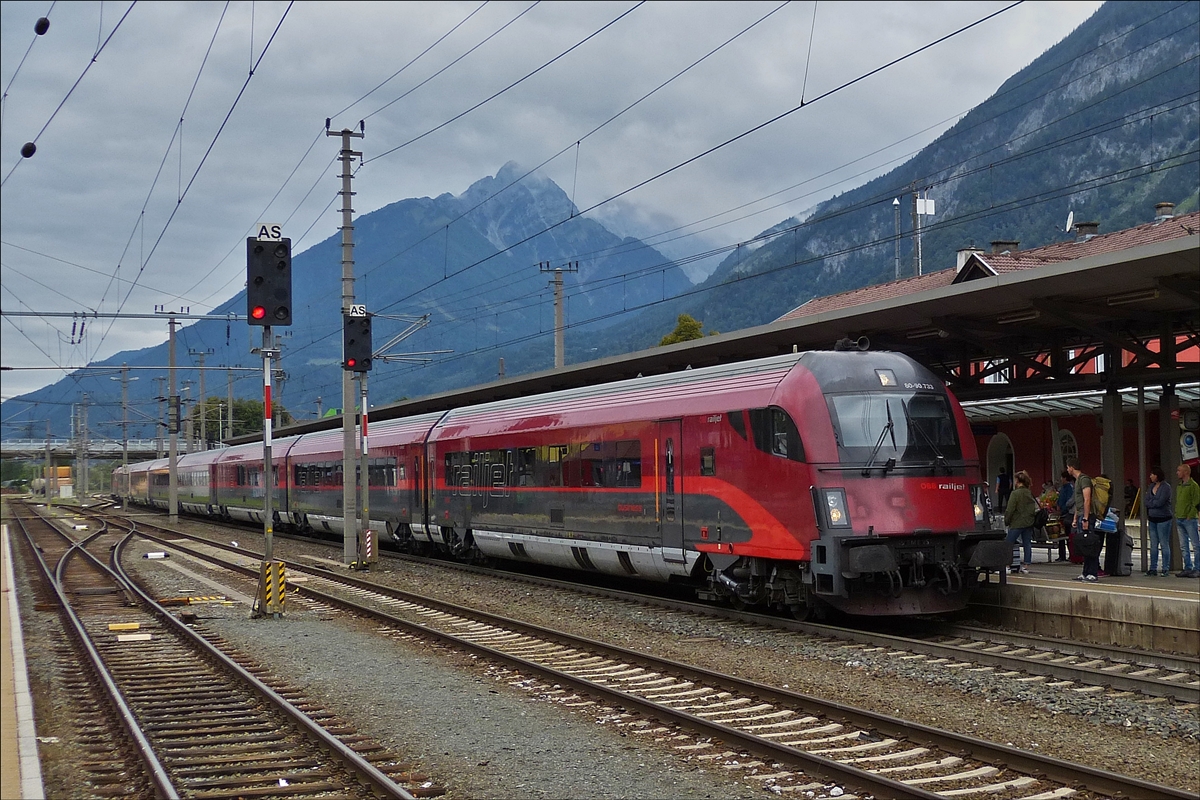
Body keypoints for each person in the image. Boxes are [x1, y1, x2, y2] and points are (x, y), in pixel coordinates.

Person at [1066, 457, 1101, 582]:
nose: (1067, 470)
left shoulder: (1084, 480)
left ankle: (1093, 572)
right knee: (1084, 546)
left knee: (1090, 544)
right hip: (1081, 515)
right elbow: (1079, 502)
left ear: (1072, 467)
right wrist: (1075, 518)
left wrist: (1085, 518)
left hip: (1087, 516)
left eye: (1068, 467)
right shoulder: (1078, 481)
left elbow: (1087, 499)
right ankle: (1085, 572)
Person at [1004, 470, 1038, 574]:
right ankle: (1026, 566)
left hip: (1017, 522)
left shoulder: (1015, 493)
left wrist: (1007, 520)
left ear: (1018, 481)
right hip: (1028, 522)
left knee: (1008, 543)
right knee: (1027, 543)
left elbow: (1010, 509)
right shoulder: (1029, 493)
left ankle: (1007, 565)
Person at [1143, 466, 1173, 577]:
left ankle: (1165, 568)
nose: (1150, 476)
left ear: (1157, 475)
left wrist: (1152, 503)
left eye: (1152, 474)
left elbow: (1160, 502)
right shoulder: (1151, 486)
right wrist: (1152, 503)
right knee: (1153, 545)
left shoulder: (1166, 487)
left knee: (1164, 544)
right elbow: (1146, 501)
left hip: (1164, 519)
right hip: (1152, 519)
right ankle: (1153, 568)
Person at [1176, 463, 1200, 579]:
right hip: (1179, 517)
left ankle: (1197, 568)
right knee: (1183, 545)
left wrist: (1190, 515)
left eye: (1179, 470)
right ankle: (1187, 567)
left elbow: (1196, 502)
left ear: (1186, 472)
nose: (1177, 473)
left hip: (1189, 519)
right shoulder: (1179, 486)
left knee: (1195, 545)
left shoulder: (1193, 486)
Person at [1055, 470, 1074, 562]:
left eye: (1062, 477)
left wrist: (1063, 508)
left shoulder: (1069, 488)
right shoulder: (1063, 488)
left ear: (1065, 478)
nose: (1061, 479)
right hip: (1062, 513)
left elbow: (1068, 501)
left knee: (1067, 535)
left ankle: (1070, 554)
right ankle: (1061, 555)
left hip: (1066, 514)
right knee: (1061, 535)